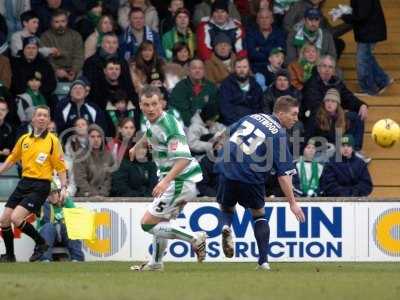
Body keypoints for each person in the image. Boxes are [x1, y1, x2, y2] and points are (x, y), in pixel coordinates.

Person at [215, 95, 305, 270]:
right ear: (280, 113)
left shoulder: (252, 117)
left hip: (227, 165)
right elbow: (283, 175)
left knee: (226, 207)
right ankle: (263, 262)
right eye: (293, 114)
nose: (296, 118)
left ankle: (226, 226)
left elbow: (227, 132)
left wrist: (219, 145)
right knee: (259, 214)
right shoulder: (278, 134)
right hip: (251, 174)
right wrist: (293, 203)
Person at [129, 85, 207, 271]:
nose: (151, 109)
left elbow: (183, 159)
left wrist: (165, 182)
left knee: (147, 224)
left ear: (161, 104)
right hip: (176, 180)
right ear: (140, 105)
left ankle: (194, 238)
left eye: (154, 104)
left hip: (179, 180)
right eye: (146, 105)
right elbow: (150, 134)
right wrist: (136, 146)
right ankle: (156, 263)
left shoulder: (170, 125)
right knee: (161, 222)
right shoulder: (151, 120)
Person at [0, 105, 68, 262]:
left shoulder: (53, 141)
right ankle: (10, 256)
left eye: (45, 115)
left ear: (49, 120)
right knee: (4, 220)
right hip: (24, 182)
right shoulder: (24, 139)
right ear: (33, 119)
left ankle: (42, 243)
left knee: (16, 218)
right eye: (39, 115)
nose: (42, 118)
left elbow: (61, 166)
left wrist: (63, 187)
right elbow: (12, 158)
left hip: (41, 185)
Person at [341, 0, 393, 95]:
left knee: (362, 60)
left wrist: (344, 15)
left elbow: (361, 15)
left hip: (369, 31)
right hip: (370, 30)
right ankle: (383, 80)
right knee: (367, 57)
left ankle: (368, 89)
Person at [37, 180, 85, 262]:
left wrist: (66, 203)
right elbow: (42, 226)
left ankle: (77, 259)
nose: (52, 196)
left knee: (70, 226)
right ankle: (45, 259)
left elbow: (75, 219)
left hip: (65, 236)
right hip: (49, 237)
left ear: (59, 193)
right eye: (49, 194)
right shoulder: (42, 205)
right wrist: (47, 205)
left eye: (54, 193)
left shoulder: (67, 202)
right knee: (48, 227)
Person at [110, 118, 158, 197]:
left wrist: (145, 195)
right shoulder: (123, 164)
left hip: (148, 202)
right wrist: (137, 196)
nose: (141, 151)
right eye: (137, 147)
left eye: (144, 148)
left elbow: (154, 187)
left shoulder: (152, 166)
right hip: (128, 203)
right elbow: (120, 187)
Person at [170, 59, 219, 127]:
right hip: (186, 126)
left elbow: (215, 109)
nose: (197, 71)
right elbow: (180, 112)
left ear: (204, 71)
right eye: (194, 68)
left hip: (209, 125)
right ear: (188, 71)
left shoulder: (211, 87)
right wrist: (195, 124)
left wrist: (210, 122)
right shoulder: (180, 88)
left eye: (200, 68)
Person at [40, 9, 84, 82]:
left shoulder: (75, 35)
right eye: (56, 22)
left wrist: (74, 70)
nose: (60, 25)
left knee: (80, 74)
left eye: (63, 21)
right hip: (54, 69)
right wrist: (56, 70)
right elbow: (46, 59)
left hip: (72, 69)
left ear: (67, 21)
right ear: (51, 23)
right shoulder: (45, 36)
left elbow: (79, 56)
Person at [218, 57, 264, 126]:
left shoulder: (255, 85)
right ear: (234, 69)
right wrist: (239, 124)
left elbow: (259, 108)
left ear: (249, 68)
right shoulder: (226, 84)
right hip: (232, 124)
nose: (242, 70)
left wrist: (252, 123)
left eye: (244, 67)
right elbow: (225, 108)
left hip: (252, 124)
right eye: (239, 67)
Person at [73, 124, 115, 197]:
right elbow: (80, 179)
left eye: (99, 136)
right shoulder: (80, 156)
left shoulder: (109, 156)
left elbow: (109, 179)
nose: (96, 139)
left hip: (105, 197)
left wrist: (103, 193)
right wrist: (93, 194)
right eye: (92, 137)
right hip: (85, 196)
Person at [245, 8, 286, 76]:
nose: (264, 21)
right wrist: (273, 55)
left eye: (267, 18)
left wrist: (260, 49)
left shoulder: (279, 32)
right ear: (257, 20)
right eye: (261, 18)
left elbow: (281, 50)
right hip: (256, 68)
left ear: (272, 20)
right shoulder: (251, 33)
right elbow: (252, 54)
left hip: (275, 68)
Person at [0, 98, 15, 162]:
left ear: (7, 111)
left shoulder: (10, 128)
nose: (0, 112)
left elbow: (12, 148)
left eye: (3, 110)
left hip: (6, 163)